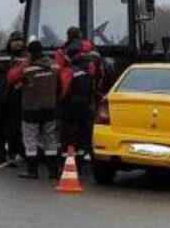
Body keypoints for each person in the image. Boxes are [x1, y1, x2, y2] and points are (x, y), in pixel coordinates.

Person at [7, 38, 63, 179]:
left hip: (31, 109)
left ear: (30, 53)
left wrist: (23, 64)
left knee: (30, 140)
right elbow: (60, 86)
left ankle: (32, 170)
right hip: (50, 108)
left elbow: (11, 78)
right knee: (50, 139)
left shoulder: (27, 67)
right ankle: (53, 170)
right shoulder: (54, 66)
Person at [0, 32, 27, 167]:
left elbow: (30, 76)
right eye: (15, 40)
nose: (18, 43)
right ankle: (0, 154)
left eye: (20, 40)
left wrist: (22, 85)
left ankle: (13, 155)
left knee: (14, 129)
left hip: (17, 98)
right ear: (10, 42)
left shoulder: (27, 56)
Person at [59, 40, 101, 173]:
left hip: (71, 106)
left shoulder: (69, 71)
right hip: (86, 104)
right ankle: (81, 163)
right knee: (83, 135)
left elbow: (64, 90)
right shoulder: (89, 68)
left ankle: (69, 164)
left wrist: (60, 101)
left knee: (69, 136)